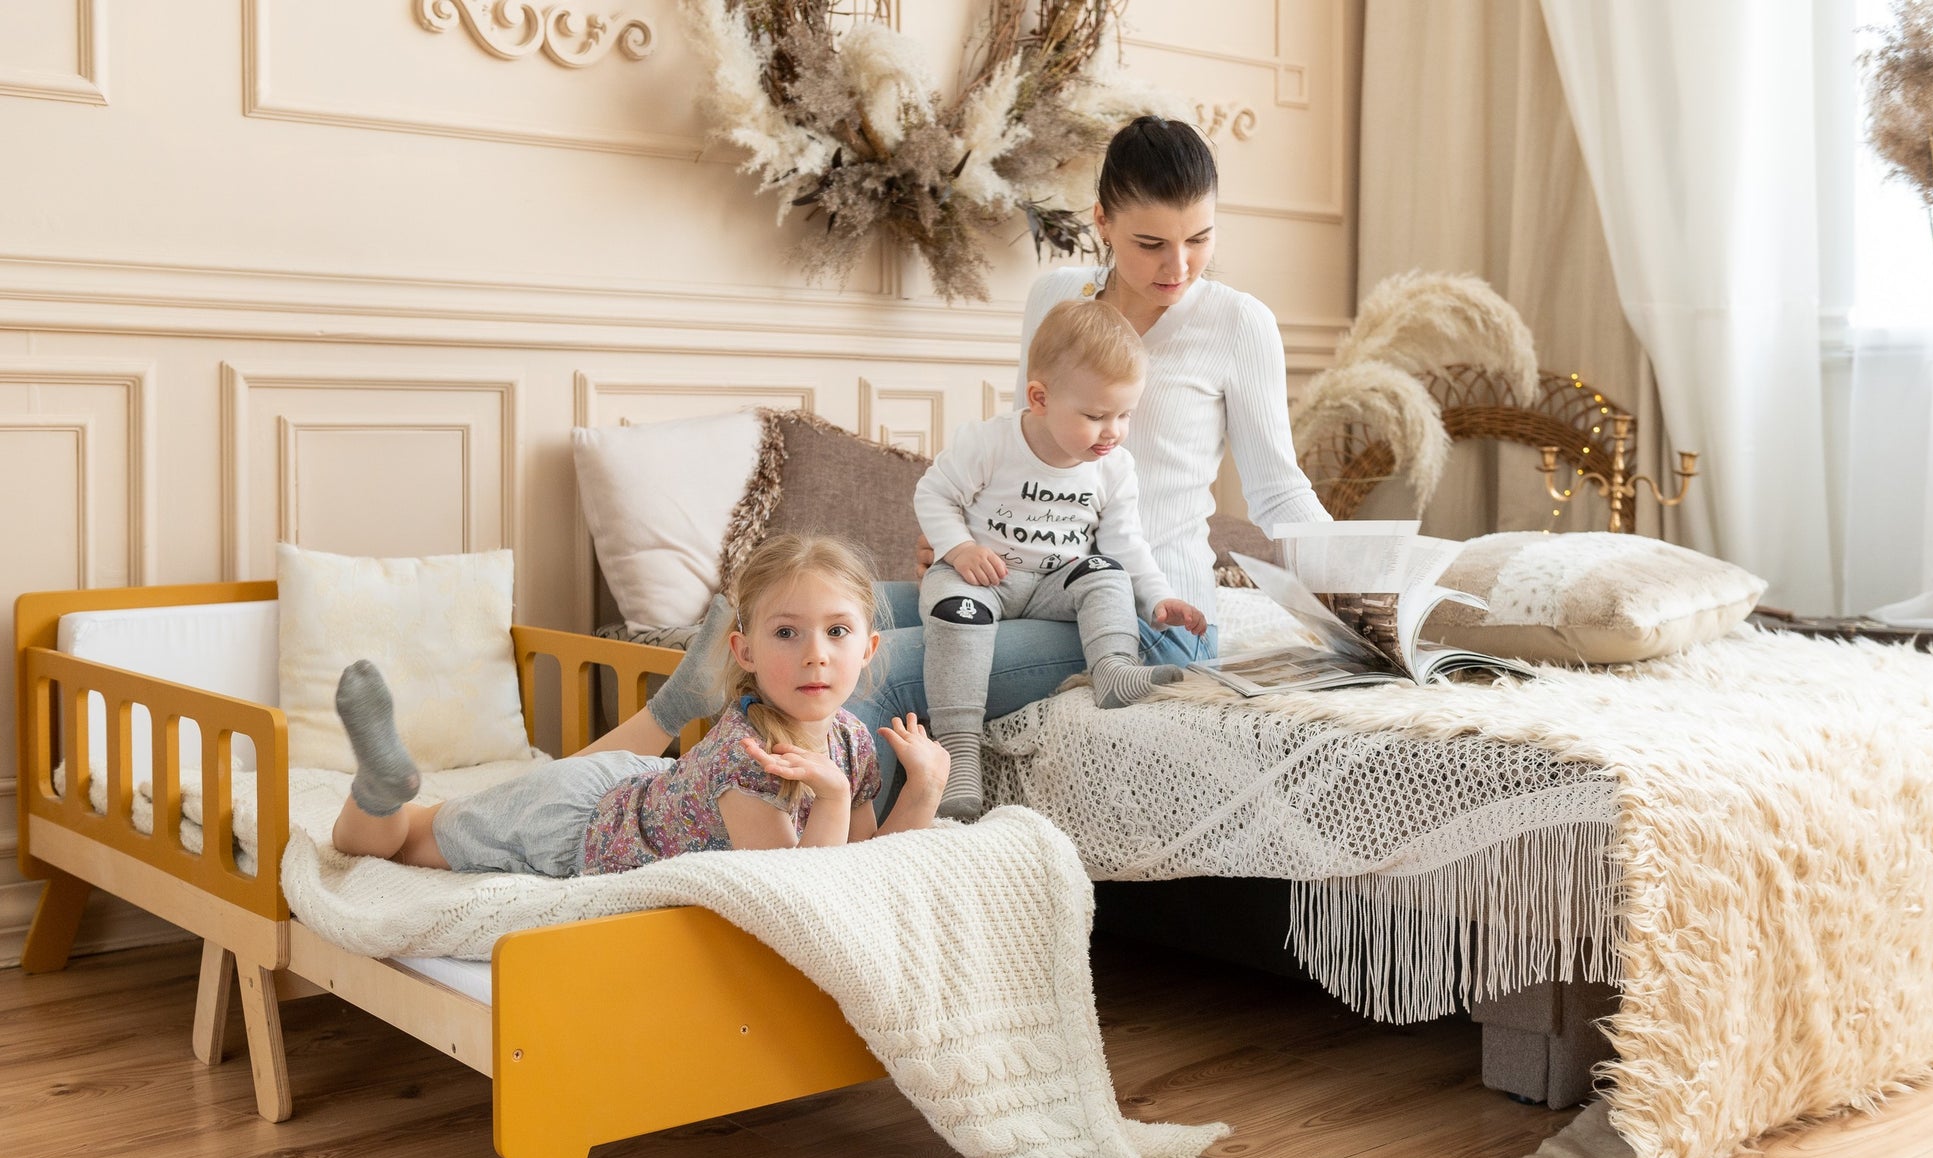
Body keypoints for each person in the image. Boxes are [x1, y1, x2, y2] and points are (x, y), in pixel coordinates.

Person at [587, 114, 1332, 815]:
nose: (1180, 266)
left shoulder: (1238, 323)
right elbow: (1017, 446)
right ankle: (657, 754)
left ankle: (821, 870)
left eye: (1200, 239)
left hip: (1141, 609)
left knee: (863, 666)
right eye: (1151, 244)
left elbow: (1278, 492)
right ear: (1101, 222)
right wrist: (956, 536)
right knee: (800, 612)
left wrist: (1367, 597)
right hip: (1019, 576)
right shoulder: (1055, 298)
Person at [328, 534, 949, 874]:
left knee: (480, 805)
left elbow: (868, 869)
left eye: (837, 632)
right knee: (407, 837)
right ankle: (381, 793)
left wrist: (923, 788)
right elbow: (802, 893)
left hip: (646, 783)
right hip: (575, 821)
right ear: (745, 651)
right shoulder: (747, 756)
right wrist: (836, 795)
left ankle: (675, 704)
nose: (816, 654)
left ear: (868, 649)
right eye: (787, 632)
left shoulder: (851, 739)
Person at [914, 297, 1206, 819]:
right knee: (953, 614)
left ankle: (1114, 671)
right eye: (1095, 416)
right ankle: (959, 747)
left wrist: (1160, 595)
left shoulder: (1114, 468)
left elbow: (1126, 542)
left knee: (1105, 572)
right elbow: (934, 494)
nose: (1112, 431)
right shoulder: (991, 443)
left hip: (1054, 585)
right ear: (1040, 397)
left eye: (1124, 414)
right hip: (985, 577)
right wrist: (958, 548)